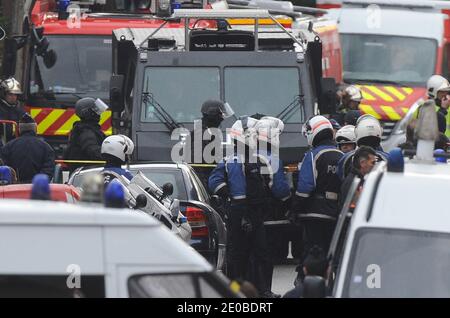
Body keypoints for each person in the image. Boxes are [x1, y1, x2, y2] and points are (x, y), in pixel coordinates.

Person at [208, 116, 280, 298]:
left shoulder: (257, 160)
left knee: (261, 254)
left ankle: (263, 291)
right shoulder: (231, 160)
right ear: (246, 136)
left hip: (254, 214)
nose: (257, 138)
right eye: (254, 135)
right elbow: (214, 181)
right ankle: (234, 292)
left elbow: (268, 186)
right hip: (238, 213)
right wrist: (230, 198)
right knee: (237, 256)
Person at [289, 115, 343, 266]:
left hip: (314, 213)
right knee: (332, 253)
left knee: (312, 251)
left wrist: (295, 208)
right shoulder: (341, 155)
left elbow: (305, 187)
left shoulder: (312, 155)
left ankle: (305, 280)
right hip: (335, 212)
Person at [0, 113, 55, 183]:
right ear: (35, 129)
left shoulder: (8, 147)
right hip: (36, 188)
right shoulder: (46, 147)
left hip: (14, 188)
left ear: (19, 129)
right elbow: (48, 170)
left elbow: (4, 169)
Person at [337, 114, 389, 181]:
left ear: (356, 131)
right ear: (379, 131)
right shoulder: (387, 158)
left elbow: (341, 179)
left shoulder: (346, 158)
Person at [64, 97, 107, 172]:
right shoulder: (86, 131)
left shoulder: (85, 128)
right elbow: (93, 151)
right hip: (87, 174)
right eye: (95, 110)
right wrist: (111, 156)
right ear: (88, 113)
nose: (98, 113)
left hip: (86, 171)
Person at [339, 146, 377, 211]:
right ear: (362, 163)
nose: (375, 165)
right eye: (373, 162)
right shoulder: (354, 183)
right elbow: (354, 210)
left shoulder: (360, 180)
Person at [0, 78, 25, 143]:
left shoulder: (20, 112)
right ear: (3, 94)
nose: (13, 97)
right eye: (10, 94)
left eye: (15, 94)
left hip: (16, 145)